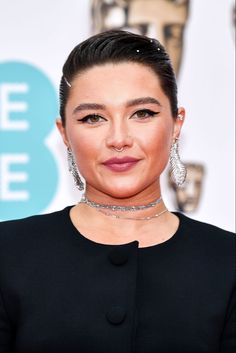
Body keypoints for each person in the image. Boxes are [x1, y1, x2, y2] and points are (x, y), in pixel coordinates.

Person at [0, 30, 235, 353]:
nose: (118, 139)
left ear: (176, 123)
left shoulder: (228, 262)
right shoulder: (8, 254)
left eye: (143, 113)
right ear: (64, 133)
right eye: (93, 118)